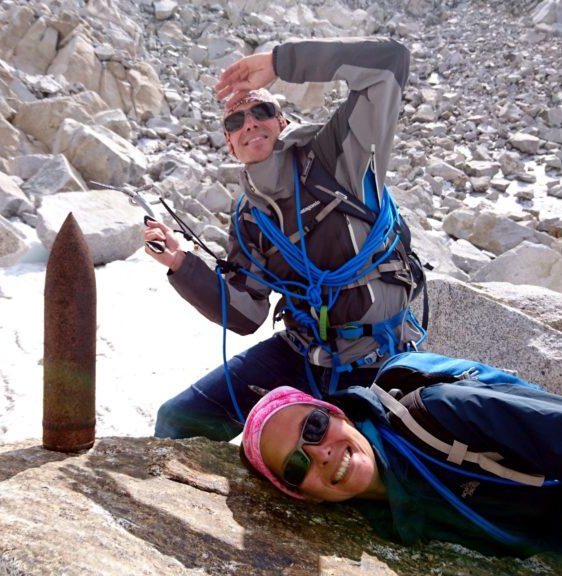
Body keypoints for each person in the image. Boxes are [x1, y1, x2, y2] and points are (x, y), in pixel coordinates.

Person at [145, 37, 425, 441]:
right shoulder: (249, 216)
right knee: (178, 420)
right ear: (229, 144)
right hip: (301, 355)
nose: (249, 124)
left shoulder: (337, 158)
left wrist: (281, 63)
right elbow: (247, 314)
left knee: (365, 473)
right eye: (234, 122)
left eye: (261, 111)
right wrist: (182, 264)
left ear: (282, 122)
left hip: (376, 359)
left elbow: (390, 63)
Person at [241, 382, 562, 575]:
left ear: (336, 412)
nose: (320, 455)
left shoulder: (439, 414)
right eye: (296, 466)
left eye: (314, 428)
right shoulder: (383, 518)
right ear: (303, 497)